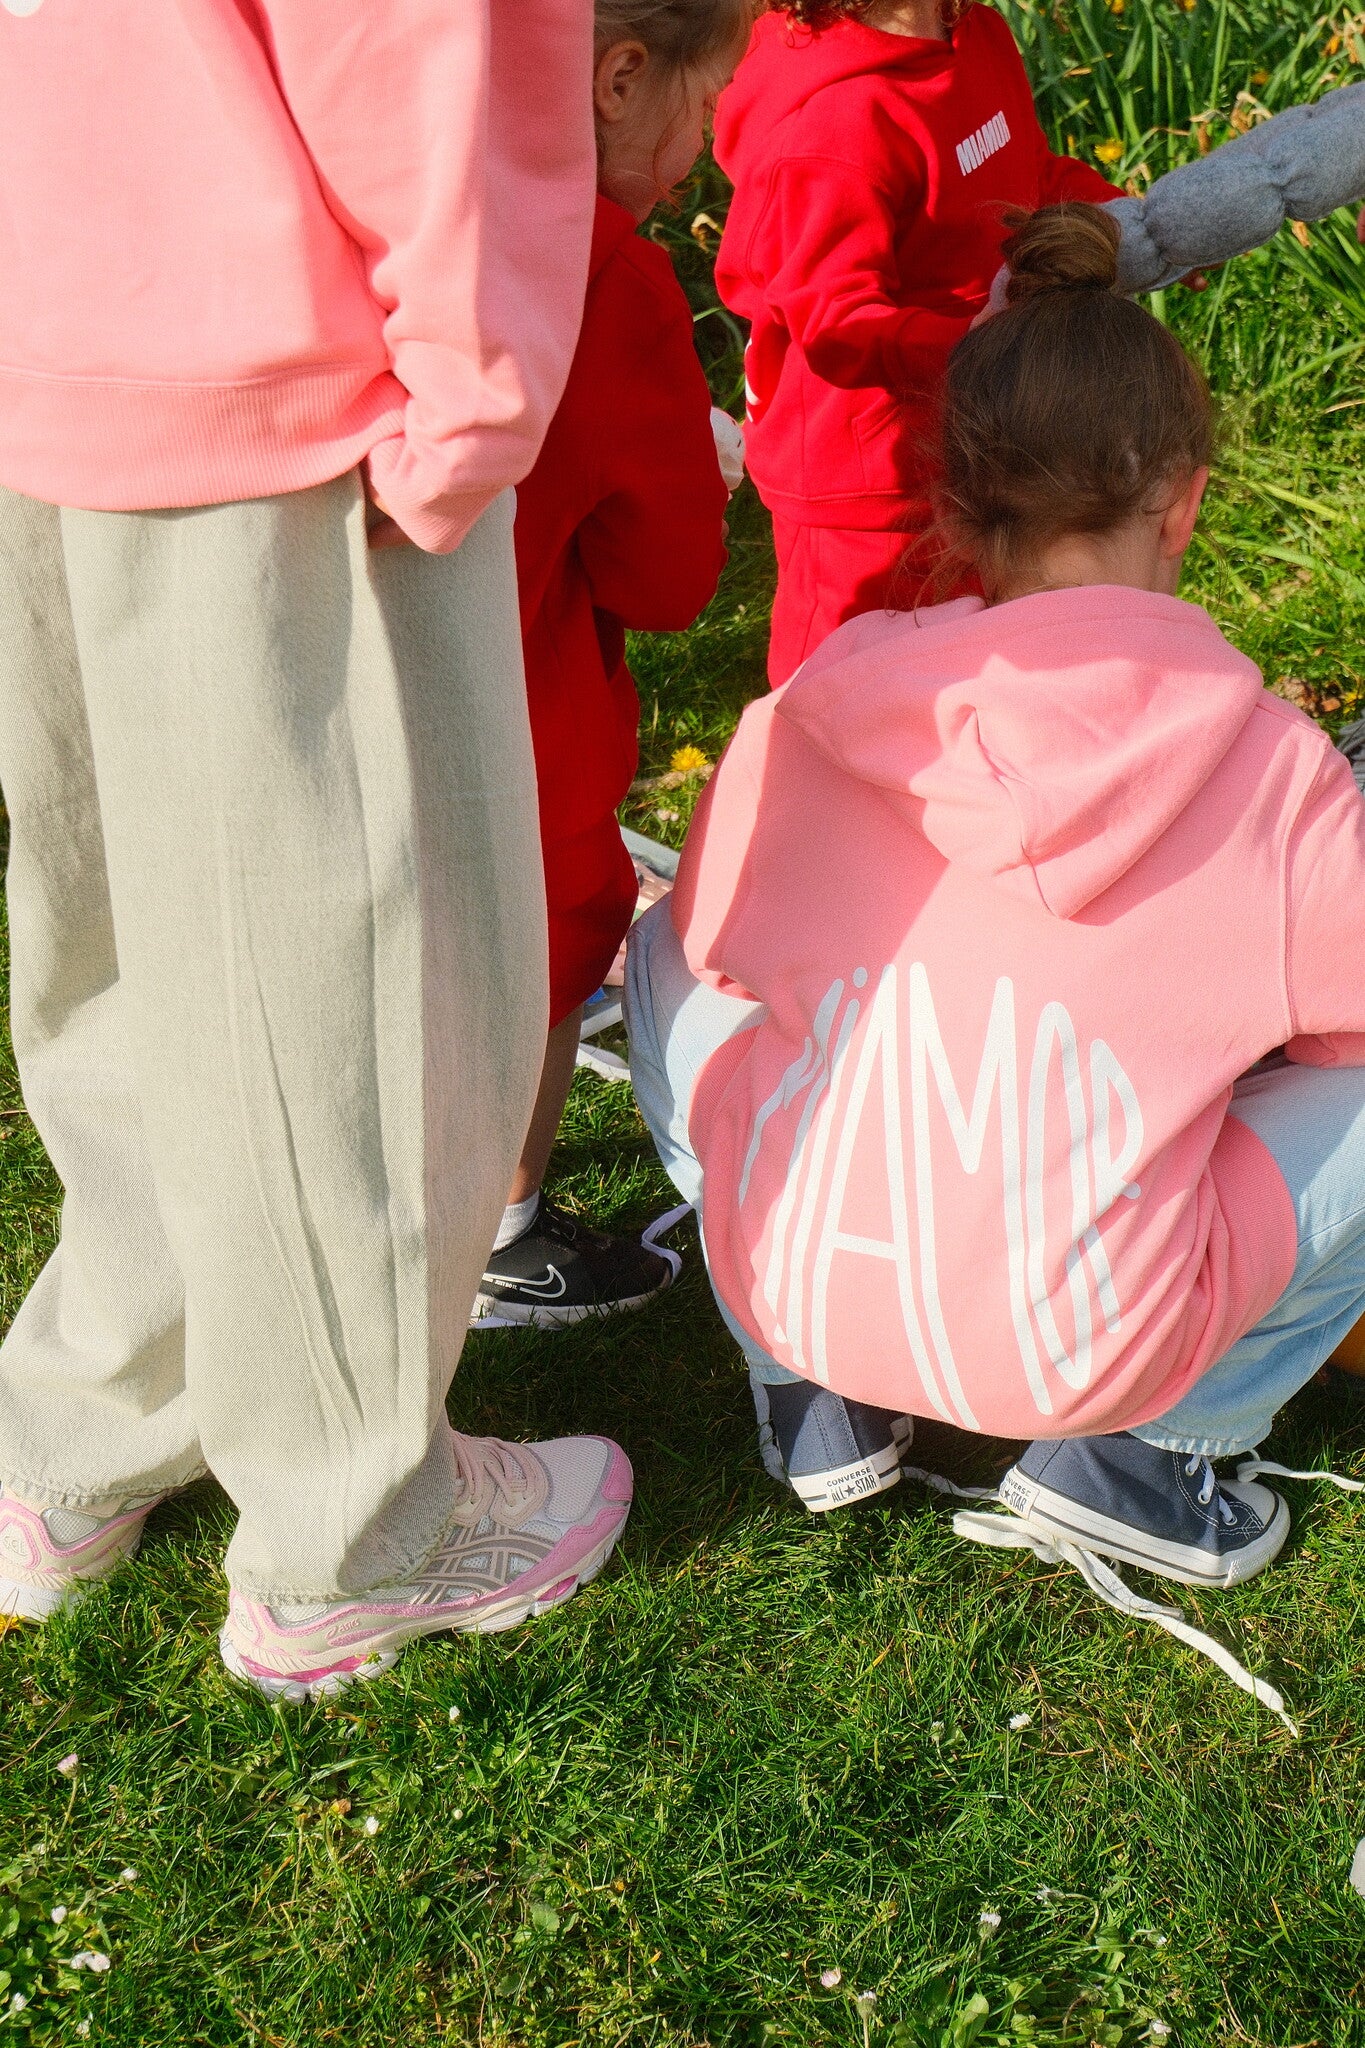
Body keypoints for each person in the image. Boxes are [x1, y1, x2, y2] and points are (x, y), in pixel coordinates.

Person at [0, 0, 633, 1702]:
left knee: (119, 926)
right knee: (348, 972)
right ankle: (355, 1530)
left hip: (53, 305)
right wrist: (471, 395)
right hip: (280, 363)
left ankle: (90, 1420)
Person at [626, 203, 1365, 1585]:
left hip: (799, 1266)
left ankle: (806, 1381)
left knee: (662, 955)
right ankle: (1159, 1455)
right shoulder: (1274, 767)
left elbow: (715, 952)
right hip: (1097, 1340)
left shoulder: (814, 706)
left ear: (953, 508)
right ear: (1186, 502)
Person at [474, 0, 748, 1330]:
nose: (707, 149)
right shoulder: (605, 280)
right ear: (619, 77)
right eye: (706, 108)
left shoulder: (406, 224)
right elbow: (667, 578)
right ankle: (501, 1230)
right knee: (545, 936)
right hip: (520, 717)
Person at [711, 0, 1122, 688]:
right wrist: (977, 340)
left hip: (976, 427)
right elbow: (831, 318)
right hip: (867, 489)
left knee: (978, 668)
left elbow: (1028, 174)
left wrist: (1127, 224)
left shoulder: (974, 31)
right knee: (847, 699)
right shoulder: (833, 124)